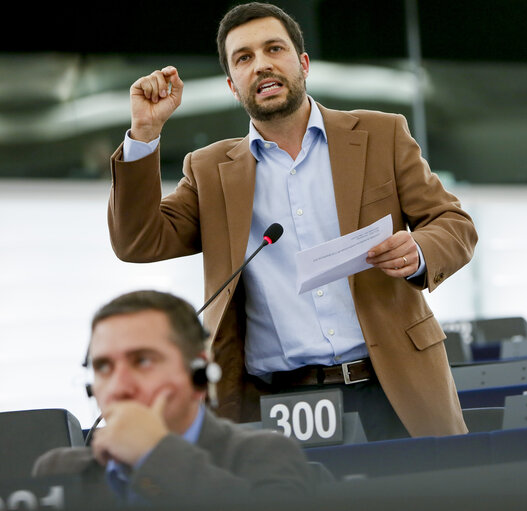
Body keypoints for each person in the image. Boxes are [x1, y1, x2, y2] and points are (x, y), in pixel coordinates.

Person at [107, 2, 477, 440]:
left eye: (274, 49)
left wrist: (419, 251)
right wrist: (144, 136)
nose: (261, 65)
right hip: (274, 407)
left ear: (302, 63)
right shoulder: (209, 171)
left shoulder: (381, 135)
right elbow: (139, 241)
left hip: (394, 386)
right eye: (244, 58)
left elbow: (453, 223)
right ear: (232, 84)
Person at [32, 290, 313, 506]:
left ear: (199, 372)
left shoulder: (265, 454)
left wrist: (155, 454)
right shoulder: (60, 471)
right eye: (103, 367)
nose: (119, 388)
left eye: (142, 361)